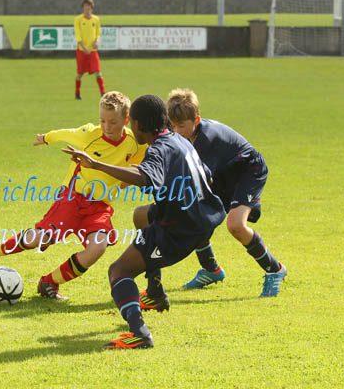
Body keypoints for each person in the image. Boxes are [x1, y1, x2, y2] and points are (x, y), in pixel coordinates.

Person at [63, 94, 226, 349]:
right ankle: (155, 293)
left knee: (118, 271)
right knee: (140, 215)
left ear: (138, 125)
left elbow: (143, 176)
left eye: (132, 124)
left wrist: (97, 164)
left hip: (179, 229)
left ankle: (140, 334)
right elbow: (206, 176)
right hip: (205, 216)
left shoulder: (159, 149)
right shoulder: (178, 140)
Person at [0, 91, 145, 301]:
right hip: (73, 198)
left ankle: (50, 282)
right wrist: (46, 138)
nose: (106, 126)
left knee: (97, 247)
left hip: (100, 206)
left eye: (112, 122)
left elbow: (138, 163)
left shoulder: (134, 141)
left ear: (126, 120)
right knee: (39, 239)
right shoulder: (90, 135)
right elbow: (65, 133)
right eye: (102, 120)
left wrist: (124, 181)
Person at [138, 89, 285, 305]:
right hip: (222, 173)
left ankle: (275, 270)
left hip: (247, 171)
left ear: (196, 120)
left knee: (235, 224)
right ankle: (211, 270)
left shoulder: (207, 140)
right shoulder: (181, 135)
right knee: (196, 214)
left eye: (182, 126)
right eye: (173, 126)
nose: (176, 131)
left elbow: (197, 179)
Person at [74, 0, 105, 100]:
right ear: (83, 7)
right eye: (85, 6)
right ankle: (77, 94)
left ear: (92, 7)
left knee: (98, 73)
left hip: (92, 51)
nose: (87, 8)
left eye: (89, 6)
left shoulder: (96, 19)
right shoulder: (78, 19)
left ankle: (103, 94)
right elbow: (78, 35)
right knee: (79, 74)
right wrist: (83, 47)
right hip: (82, 51)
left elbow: (98, 33)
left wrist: (97, 41)